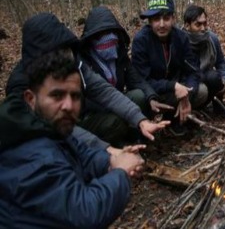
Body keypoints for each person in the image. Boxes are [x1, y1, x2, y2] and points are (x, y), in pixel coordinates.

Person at [0, 49, 146, 228]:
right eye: (57, 95)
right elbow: (85, 214)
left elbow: (82, 154)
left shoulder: (47, 128)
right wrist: (121, 172)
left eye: (75, 96)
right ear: (31, 99)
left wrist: (112, 160)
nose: (68, 106)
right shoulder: (29, 152)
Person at [5, 12, 168, 150]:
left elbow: (105, 91)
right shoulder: (20, 86)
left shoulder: (75, 63)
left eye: (67, 51)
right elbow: (52, 128)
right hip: (46, 144)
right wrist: (107, 150)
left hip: (79, 123)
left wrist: (140, 120)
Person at [79, 6, 173, 145]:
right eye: (102, 34)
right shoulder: (83, 63)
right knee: (115, 122)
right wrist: (119, 108)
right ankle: (114, 146)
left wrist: (151, 97)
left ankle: (136, 137)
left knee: (140, 96)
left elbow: (135, 79)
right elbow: (86, 101)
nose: (108, 38)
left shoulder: (119, 54)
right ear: (92, 38)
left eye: (112, 32)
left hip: (118, 103)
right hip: (94, 113)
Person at [131, 0, 203, 134]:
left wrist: (187, 95)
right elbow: (140, 79)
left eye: (166, 18)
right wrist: (172, 86)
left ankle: (177, 120)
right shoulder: (141, 40)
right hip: (152, 92)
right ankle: (140, 129)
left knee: (202, 90)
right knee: (138, 96)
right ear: (150, 22)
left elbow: (193, 71)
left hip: (176, 90)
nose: (162, 24)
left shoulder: (181, 38)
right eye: (157, 19)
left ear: (173, 19)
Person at [183, 4, 225, 114]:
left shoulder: (212, 39)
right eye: (198, 25)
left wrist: (224, 78)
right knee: (202, 89)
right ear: (187, 25)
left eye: (205, 23)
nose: (203, 28)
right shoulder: (179, 42)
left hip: (206, 78)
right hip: (187, 84)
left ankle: (218, 108)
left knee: (214, 77)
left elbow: (221, 62)